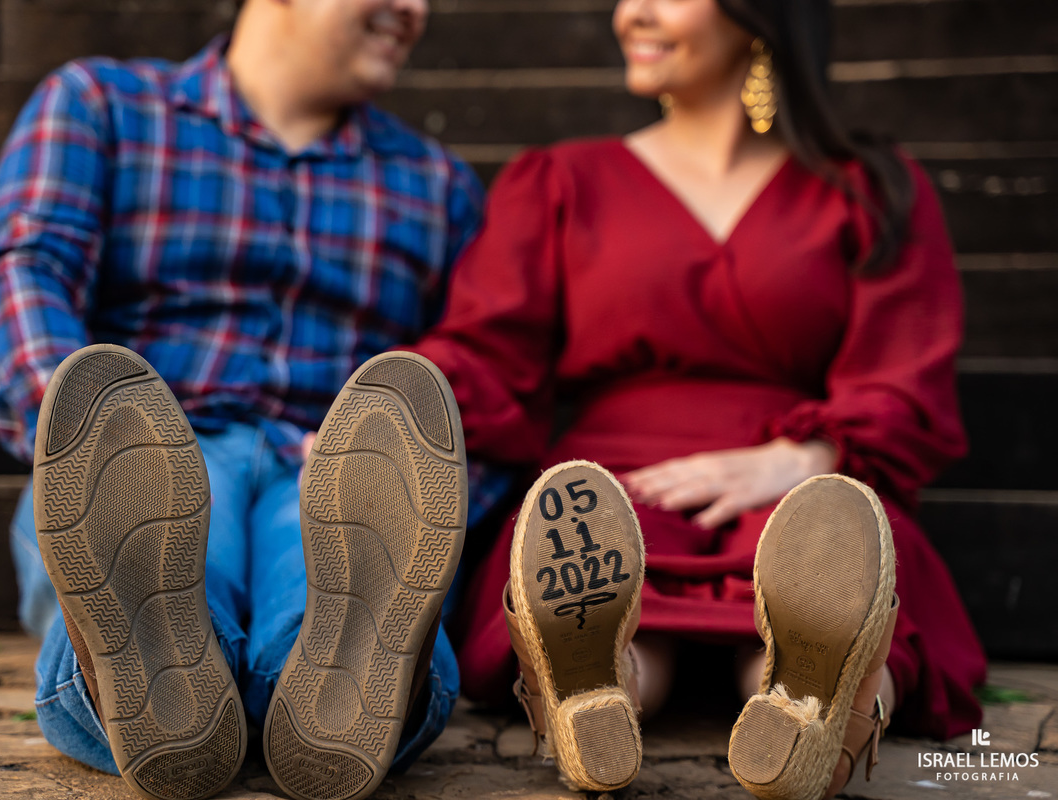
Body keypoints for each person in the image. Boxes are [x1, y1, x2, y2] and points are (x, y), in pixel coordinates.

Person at [390, 0, 987, 796]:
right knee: (596, 557)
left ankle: (822, 707)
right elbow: (488, 348)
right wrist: (399, 408)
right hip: (615, 482)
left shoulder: (869, 189)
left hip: (804, 480)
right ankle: (598, 690)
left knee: (827, 562)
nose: (629, 13)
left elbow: (904, 374)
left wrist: (804, 458)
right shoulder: (563, 180)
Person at [0, 2, 504, 799]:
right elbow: (24, 272)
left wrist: (422, 475)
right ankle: (180, 675)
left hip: (329, 468)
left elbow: (484, 366)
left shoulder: (439, 184)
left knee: (333, 557)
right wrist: (87, 435)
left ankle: (313, 695)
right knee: (171, 539)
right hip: (156, 445)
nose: (416, 9)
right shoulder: (103, 106)